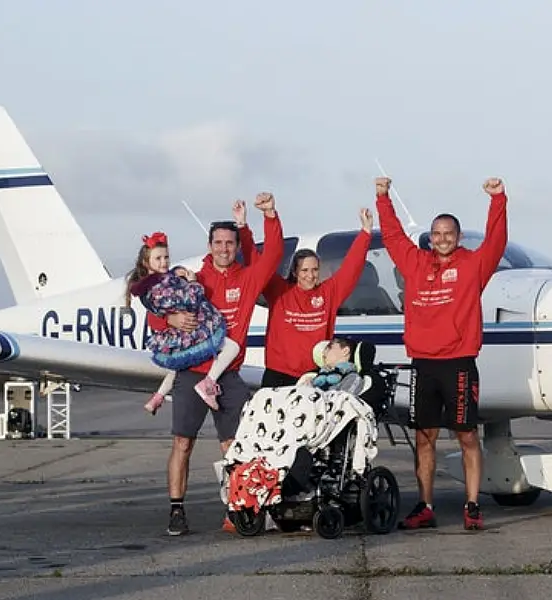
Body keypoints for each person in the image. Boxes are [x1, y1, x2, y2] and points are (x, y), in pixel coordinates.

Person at [375, 175, 508, 531]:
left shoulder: (473, 265)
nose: (443, 238)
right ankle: (425, 506)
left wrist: (498, 200)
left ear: (458, 237)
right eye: (437, 234)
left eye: (449, 233)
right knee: (424, 437)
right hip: (424, 364)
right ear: (430, 238)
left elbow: (497, 241)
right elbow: (392, 237)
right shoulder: (415, 263)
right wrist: (383, 198)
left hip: (459, 363)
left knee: (466, 435)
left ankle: (472, 505)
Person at [155, 192, 284, 536]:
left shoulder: (248, 278)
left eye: (229, 243)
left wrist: (269, 216)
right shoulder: (193, 280)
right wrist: (170, 321)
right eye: (218, 242)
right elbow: (156, 316)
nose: (224, 248)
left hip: (228, 376)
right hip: (190, 374)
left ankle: (238, 509)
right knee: (183, 443)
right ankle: (176, 510)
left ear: (235, 246)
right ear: (209, 245)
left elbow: (273, 254)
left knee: (237, 446)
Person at [239, 208, 374, 388]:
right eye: (304, 270)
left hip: (313, 377)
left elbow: (351, 268)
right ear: (295, 272)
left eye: (314, 270)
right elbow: (256, 262)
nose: (310, 276)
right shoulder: (279, 291)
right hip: (278, 375)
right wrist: (244, 226)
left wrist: (365, 232)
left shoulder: (329, 293)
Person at [125, 233, 241, 415]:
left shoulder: (153, 284)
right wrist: (193, 282)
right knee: (232, 347)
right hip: (190, 332)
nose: (164, 262)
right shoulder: (161, 286)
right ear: (147, 263)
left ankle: (158, 396)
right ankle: (209, 382)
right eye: (158, 258)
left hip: (175, 337)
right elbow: (190, 299)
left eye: (166, 257)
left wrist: (176, 273)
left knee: (180, 364)